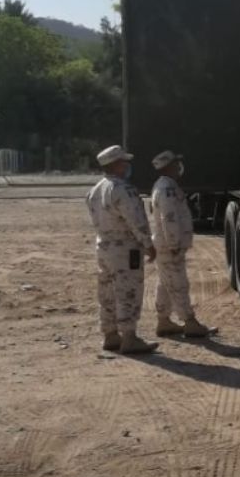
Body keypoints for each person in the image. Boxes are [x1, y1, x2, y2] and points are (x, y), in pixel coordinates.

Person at [85, 145, 158, 354]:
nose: (127, 165)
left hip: (103, 246)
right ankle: (129, 337)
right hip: (125, 249)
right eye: (124, 162)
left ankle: (110, 335)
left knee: (107, 291)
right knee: (128, 291)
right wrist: (148, 244)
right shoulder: (123, 189)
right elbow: (136, 220)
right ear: (116, 165)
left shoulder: (94, 191)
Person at [149, 150, 212, 339]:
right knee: (178, 284)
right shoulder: (167, 188)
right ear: (168, 166)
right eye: (176, 164)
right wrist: (175, 244)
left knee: (165, 283)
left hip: (165, 244)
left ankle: (164, 321)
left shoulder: (164, 185)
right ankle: (189, 322)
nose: (179, 167)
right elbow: (169, 218)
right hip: (170, 246)